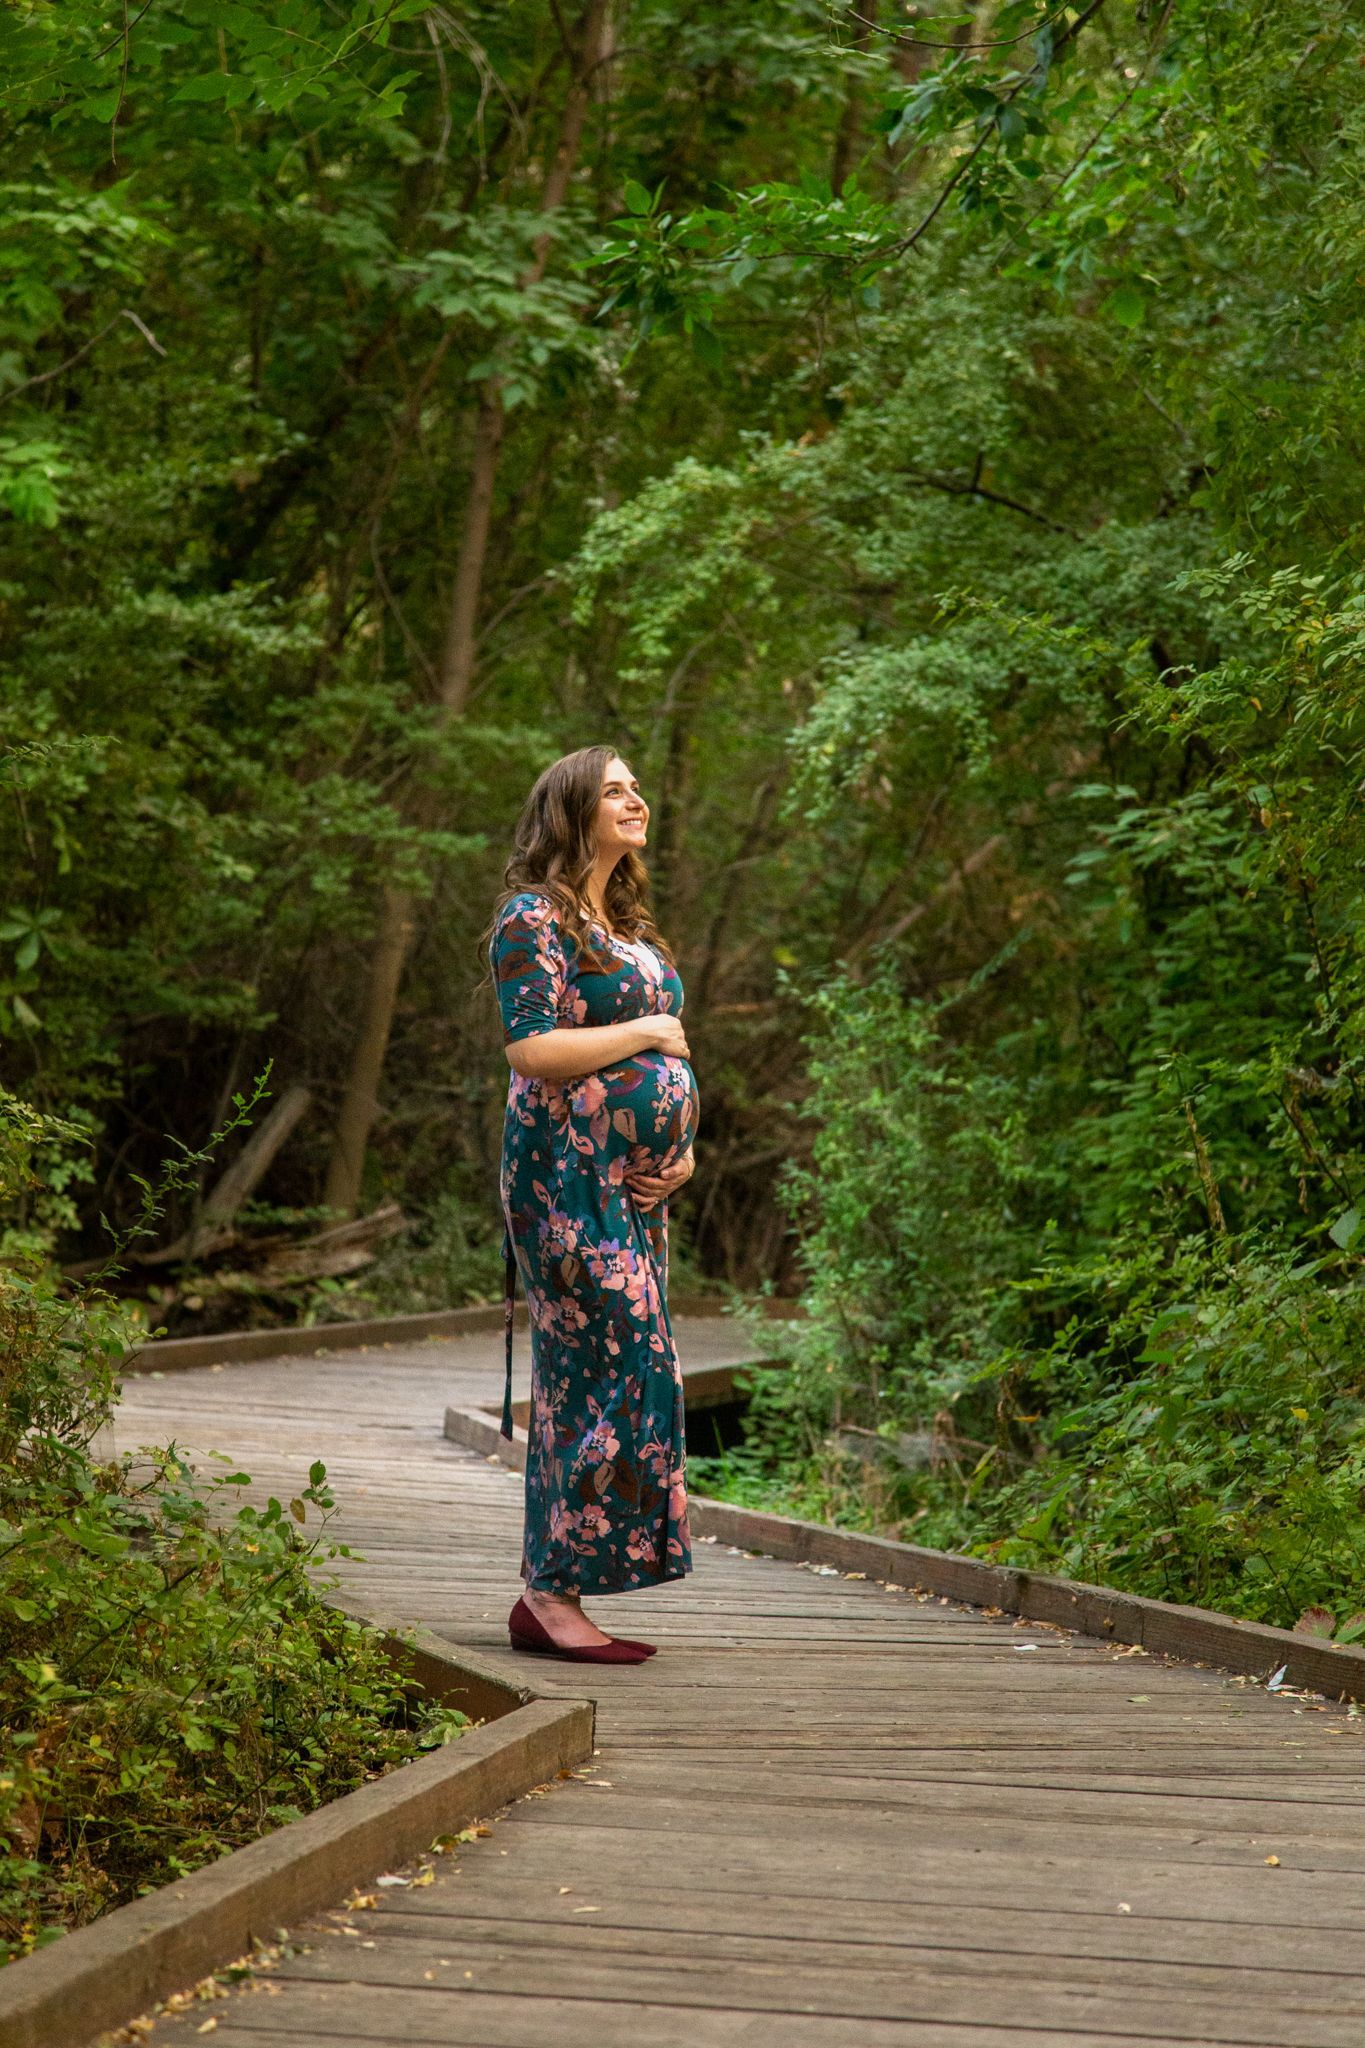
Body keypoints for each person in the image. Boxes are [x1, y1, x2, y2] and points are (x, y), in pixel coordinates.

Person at [487, 745, 698, 1664]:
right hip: (562, 1177)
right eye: (614, 790)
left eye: (637, 787)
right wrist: (650, 1030)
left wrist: (680, 1152)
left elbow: (664, 1069)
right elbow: (532, 1051)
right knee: (617, 1365)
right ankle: (551, 1592)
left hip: (631, 1187)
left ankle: (558, 1589)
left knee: (614, 1368)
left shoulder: (624, 924)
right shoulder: (532, 916)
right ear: (572, 809)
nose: (635, 799)